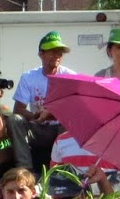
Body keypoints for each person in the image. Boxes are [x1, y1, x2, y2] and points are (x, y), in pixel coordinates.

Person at [11, 31, 74, 167]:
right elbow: (18, 109)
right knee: (14, 119)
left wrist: (50, 114)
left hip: (60, 128)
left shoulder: (70, 77)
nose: (57, 56)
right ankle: (25, 168)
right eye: (52, 51)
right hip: (37, 127)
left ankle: (63, 167)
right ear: (41, 54)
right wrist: (35, 115)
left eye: (59, 52)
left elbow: (74, 109)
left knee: (69, 120)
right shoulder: (29, 77)